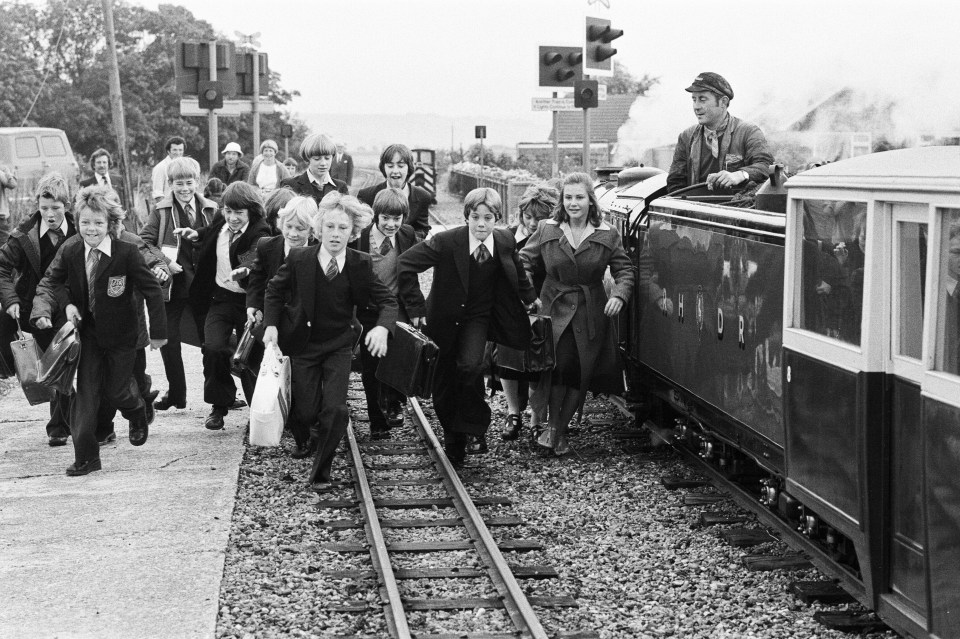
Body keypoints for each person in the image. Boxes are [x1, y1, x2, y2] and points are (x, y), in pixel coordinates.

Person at [262, 192, 397, 486]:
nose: (336, 234)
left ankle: (321, 471)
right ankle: (307, 433)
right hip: (304, 345)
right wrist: (271, 325)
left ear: (353, 233)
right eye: (330, 227)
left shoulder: (360, 264)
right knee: (307, 409)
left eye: (343, 228)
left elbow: (387, 301)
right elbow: (273, 290)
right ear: (319, 229)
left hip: (339, 345)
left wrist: (383, 328)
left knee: (335, 410)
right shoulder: (300, 258)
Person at [31, 185, 167, 476]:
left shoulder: (126, 253)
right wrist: (67, 305)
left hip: (121, 337)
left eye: (98, 223)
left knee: (117, 391)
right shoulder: (71, 249)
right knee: (86, 395)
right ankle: (86, 457)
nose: (91, 229)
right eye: (84, 223)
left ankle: (137, 411)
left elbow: (153, 291)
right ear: (77, 221)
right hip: (89, 334)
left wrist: (158, 332)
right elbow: (54, 281)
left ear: (111, 224)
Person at [398, 187, 536, 466]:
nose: (481, 224)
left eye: (488, 217)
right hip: (444, 320)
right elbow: (405, 264)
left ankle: (474, 428)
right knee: (445, 382)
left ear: (497, 218)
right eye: (475, 217)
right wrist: (415, 308)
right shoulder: (447, 242)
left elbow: (516, 270)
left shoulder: (505, 241)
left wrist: (531, 298)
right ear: (467, 217)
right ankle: (454, 440)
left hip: (478, 318)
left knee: (471, 366)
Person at [519, 172, 635, 456]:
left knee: (578, 372)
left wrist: (619, 295)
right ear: (562, 200)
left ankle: (556, 430)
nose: (573, 204)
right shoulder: (548, 229)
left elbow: (625, 270)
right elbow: (524, 261)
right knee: (557, 368)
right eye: (568, 197)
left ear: (590, 201)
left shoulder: (607, 233)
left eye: (579, 197)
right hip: (552, 308)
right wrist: (528, 295)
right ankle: (554, 429)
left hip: (589, 311)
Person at [175, 182, 271, 431]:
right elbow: (213, 231)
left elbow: (257, 251)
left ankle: (258, 412)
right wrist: (197, 234)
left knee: (251, 356)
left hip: (249, 302)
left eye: (239, 212)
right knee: (213, 348)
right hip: (220, 298)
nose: (233, 218)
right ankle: (220, 405)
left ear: (251, 211)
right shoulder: (222, 219)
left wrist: (246, 267)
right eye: (229, 211)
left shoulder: (261, 230)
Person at [0, 173, 76, 446]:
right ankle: (59, 424)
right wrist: (11, 301)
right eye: (44, 209)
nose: (50, 214)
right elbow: (2, 268)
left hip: (69, 307)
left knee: (67, 364)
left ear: (67, 205)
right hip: (34, 309)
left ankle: (64, 424)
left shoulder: (81, 230)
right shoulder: (24, 235)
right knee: (50, 366)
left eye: (56, 208)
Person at [140, 156, 218, 411]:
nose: (184, 189)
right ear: (170, 184)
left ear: (198, 182)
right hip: (173, 287)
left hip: (204, 287)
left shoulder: (211, 210)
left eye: (189, 182)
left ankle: (218, 393)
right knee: (168, 340)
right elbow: (143, 243)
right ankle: (177, 393)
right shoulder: (161, 212)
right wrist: (163, 263)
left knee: (210, 342)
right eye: (178, 184)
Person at [349, 187, 420, 440]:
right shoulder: (360, 236)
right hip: (368, 308)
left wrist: (416, 308)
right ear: (376, 216)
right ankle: (376, 420)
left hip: (396, 306)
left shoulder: (407, 235)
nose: (391, 224)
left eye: (397, 219)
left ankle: (393, 402)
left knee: (396, 358)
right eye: (386, 219)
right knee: (371, 366)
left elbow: (411, 274)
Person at [493, 182, 558, 442]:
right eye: (528, 217)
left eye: (540, 218)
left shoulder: (552, 238)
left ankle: (536, 418)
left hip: (543, 306)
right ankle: (513, 412)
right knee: (507, 361)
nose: (532, 223)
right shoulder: (508, 236)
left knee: (538, 365)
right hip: (511, 307)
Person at [666, 72, 773, 194]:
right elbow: (675, 184)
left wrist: (740, 174)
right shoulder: (686, 136)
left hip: (736, 208)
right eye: (694, 100)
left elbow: (766, 166)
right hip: (696, 208)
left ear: (723, 102)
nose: (696, 106)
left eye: (702, 99)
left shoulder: (749, 131)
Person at [358, 144, 433, 240]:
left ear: (409, 167)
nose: (395, 171)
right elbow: (361, 229)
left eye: (401, 166)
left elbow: (422, 229)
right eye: (390, 166)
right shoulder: (366, 195)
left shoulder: (422, 196)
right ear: (383, 168)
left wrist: (404, 242)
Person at [279, 133, 348, 204]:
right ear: (307, 159)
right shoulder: (290, 185)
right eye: (317, 159)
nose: (323, 163)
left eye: (327, 158)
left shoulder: (341, 187)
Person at [151, 136, 185, 204]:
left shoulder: (185, 167)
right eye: (175, 150)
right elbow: (158, 195)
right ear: (168, 151)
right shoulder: (160, 168)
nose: (178, 153)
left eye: (180, 150)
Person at [0, 163, 17, 245]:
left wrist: (5, 174)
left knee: (5, 250)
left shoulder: (2, 168)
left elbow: (12, 184)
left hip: (1, 218)